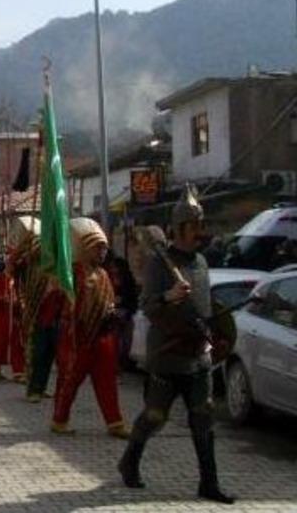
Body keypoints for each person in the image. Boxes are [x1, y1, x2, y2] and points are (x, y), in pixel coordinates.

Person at [119, 186, 236, 504]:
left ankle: (208, 484)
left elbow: (205, 306)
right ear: (181, 228)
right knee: (155, 416)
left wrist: (217, 334)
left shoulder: (200, 262)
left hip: (197, 355)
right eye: (196, 226)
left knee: (203, 417)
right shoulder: (160, 263)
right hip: (167, 354)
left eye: (201, 225)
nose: (201, 232)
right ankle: (129, 461)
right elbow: (148, 305)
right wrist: (168, 297)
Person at [50, 218, 129, 438]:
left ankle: (115, 422)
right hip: (78, 335)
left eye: (104, 247)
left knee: (107, 381)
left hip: (103, 335)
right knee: (70, 380)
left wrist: (114, 314)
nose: (102, 252)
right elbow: (60, 299)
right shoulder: (72, 272)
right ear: (85, 248)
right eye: (98, 247)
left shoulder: (104, 274)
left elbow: (109, 300)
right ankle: (59, 420)